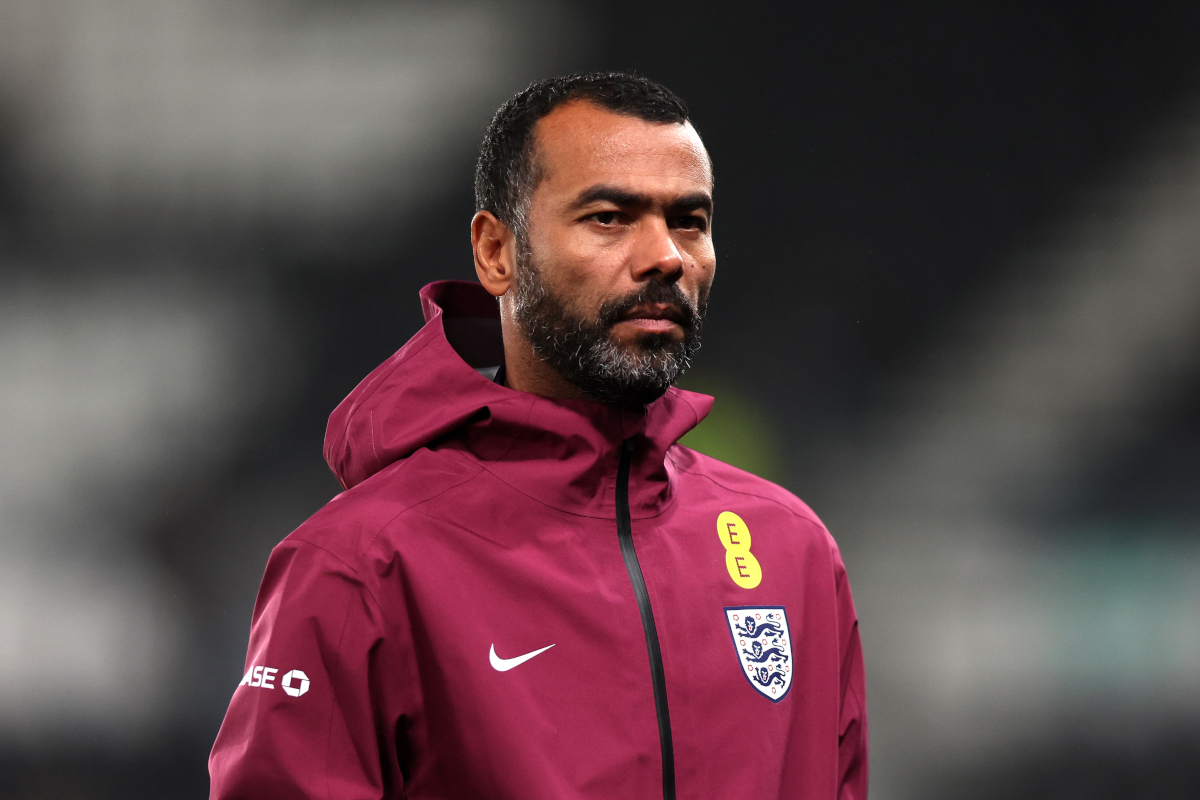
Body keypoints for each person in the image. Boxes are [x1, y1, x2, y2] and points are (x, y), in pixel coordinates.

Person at [209, 72, 867, 800]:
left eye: (689, 221)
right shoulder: (361, 564)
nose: (666, 257)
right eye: (610, 217)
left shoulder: (793, 550)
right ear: (497, 253)